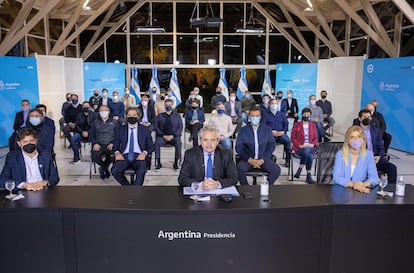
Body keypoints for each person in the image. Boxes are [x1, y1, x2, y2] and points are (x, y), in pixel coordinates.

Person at [235, 107, 281, 185]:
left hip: (263, 160)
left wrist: (262, 160)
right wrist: (249, 160)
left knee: (276, 170)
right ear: (249, 117)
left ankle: (265, 187)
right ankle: (247, 189)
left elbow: (271, 146)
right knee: (239, 169)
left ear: (260, 117)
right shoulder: (243, 130)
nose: (255, 118)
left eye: (257, 116)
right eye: (253, 116)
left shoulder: (267, 129)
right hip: (248, 160)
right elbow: (239, 147)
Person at [112, 107, 154, 186]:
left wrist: (144, 153)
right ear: (126, 117)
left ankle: (136, 192)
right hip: (124, 156)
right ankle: (128, 187)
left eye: (134, 115)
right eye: (129, 115)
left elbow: (151, 146)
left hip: (139, 156)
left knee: (141, 171)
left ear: (138, 116)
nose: (132, 117)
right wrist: (117, 153)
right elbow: (115, 144)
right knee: (115, 170)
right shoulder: (120, 129)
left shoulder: (145, 129)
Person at [333, 126, 379, 193]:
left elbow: (374, 177)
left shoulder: (369, 155)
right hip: (341, 191)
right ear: (347, 140)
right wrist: (353, 185)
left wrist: (364, 184)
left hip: (361, 191)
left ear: (363, 139)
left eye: (358, 137)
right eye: (352, 137)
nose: (356, 140)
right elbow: (337, 177)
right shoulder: (340, 154)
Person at [356, 109, 397, 184]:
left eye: (369, 117)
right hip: (361, 159)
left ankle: (391, 189)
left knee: (392, 168)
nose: (367, 119)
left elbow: (381, 147)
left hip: (375, 158)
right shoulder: (354, 131)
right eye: (364, 117)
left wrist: (379, 156)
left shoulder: (376, 131)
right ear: (359, 119)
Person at [291, 108, 319, 184]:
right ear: (302, 115)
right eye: (305, 114)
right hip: (299, 148)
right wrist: (299, 145)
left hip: (311, 147)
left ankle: (300, 169)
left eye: (308, 115)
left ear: (310, 116)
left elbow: (316, 138)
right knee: (309, 155)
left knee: (307, 150)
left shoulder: (313, 125)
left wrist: (312, 144)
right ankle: (308, 175)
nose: (306, 116)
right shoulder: (297, 125)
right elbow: (293, 138)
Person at [262, 98, 292, 167]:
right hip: (270, 134)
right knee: (269, 143)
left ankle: (287, 160)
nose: (274, 105)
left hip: (281, 134)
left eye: (275, 104)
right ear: (269, 105)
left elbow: (286, 124)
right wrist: (271, 132)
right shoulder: (266, 115)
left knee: (287, 141)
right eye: (272, 104)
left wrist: (283, 131)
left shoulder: (282, 114)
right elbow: (263, 126)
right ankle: (269, 159)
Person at [154, 99, 183, 170]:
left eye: (169, 105)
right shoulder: (160, 116)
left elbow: (180, 127)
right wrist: (162, 135)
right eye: (166, 105)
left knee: (178, 142)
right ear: (164, 105)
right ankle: (158, 162)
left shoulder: (177, 116)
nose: (168, 106)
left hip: (173, 137)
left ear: (172, 105)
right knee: (157, 143)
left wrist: (173, 136)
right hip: (162, 137)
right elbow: (156, 127)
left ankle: (176, 162)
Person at [89, 105, 117, 179]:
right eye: (101, 111)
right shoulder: (95, 122)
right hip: (99, 144)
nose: (103, 112)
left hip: (110, 144)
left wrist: (113, 143)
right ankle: (104, 168)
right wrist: (95, 143)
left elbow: (118, 135)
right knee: (95, 156)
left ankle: (103, 168)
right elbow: (91, 135)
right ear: (99, 112)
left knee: (112, 156)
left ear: (109, 112)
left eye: (105, 110)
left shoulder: (114, 122)